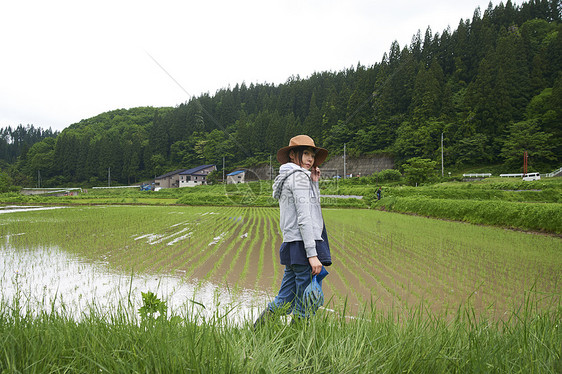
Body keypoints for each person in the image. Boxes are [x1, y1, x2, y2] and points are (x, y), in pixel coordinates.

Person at [254, 135, 332, 328]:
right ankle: (299, 341)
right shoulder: (299, 178)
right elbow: (305, 218)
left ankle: (257, 330)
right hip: (303, 247)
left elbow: (310, 208)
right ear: (292, 155)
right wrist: (312, 255)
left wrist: (314, 182)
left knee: (285, 297)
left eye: (312, 155)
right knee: (305, 303)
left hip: (292, 245)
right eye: (305, 153)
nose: (310, 159)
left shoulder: (290, 177)